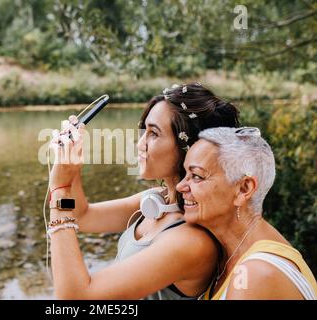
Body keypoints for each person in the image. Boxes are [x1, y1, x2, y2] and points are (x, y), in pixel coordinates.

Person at [47, 83, 239, 299]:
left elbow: (75, 299)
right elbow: (82, 216)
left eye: (153, 134)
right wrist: (71, 168)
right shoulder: (158, 199)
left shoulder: (191, 241)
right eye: (144, 131)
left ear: (191, 149)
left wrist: (60, 190)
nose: (140, 144)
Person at [176, 127, 317, 299]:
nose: (180, 186)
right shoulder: (228, 258)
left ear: (244, 189)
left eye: (197, 176)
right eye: (186, 174)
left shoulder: (255, 275)